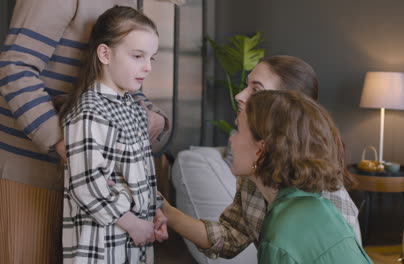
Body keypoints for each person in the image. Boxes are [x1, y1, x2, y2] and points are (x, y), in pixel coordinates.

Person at [0, 0, 174, 263]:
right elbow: (16, 69)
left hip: (94, 176)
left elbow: (121, 72)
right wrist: (66, 145)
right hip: (33, 170)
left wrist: (153, 115)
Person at [161, 55, 361, 259]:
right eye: (246, 85)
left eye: (256, 90)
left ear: (287, 104)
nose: (239, 95)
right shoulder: (255, 173)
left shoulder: (322, 195)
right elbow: (230, 237)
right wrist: (166, 212)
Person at [59, 6, 167, 264]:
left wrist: (156, 210)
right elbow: (86, 184)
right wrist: (131, 224)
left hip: (134, 241)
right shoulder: (90, 111)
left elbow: (139, 173)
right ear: (105, 54)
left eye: (151, 58)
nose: (148, 67)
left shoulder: (134, 109)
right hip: (102, 245)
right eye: (138, 56)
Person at [235, 90, 372, 264]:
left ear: (260, 150)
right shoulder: (320, 207)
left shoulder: (280, 236)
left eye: (238, 130)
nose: (231, 140)